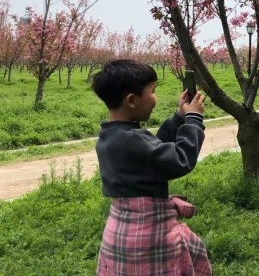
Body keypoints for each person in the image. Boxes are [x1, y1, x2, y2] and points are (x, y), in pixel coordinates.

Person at [91, 59, 212, 276]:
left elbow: (151, 153)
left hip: (122, 230)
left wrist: (178, 118)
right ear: (131, 101)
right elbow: (179, 159)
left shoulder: (113, 136)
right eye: (153, 91)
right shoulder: (130, 140)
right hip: (145, 235)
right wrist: (193, 120)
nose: (156, 97)